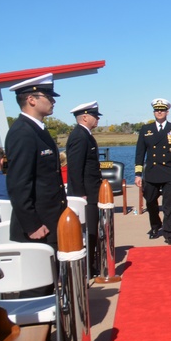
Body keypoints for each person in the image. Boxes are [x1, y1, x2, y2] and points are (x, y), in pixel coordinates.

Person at [4, 73, 68, 252]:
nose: (53, 101)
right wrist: (32, 225)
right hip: (38, 227)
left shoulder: (38, 129)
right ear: (31, 99)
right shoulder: (22, 132)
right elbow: (18, 184)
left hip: (51, 220)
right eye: (48, 97)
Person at [134, 98, 171, 245]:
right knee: (150, 201)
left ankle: (169, 233)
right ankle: (155, 225)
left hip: (169, 171)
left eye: (162, 110)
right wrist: (138, 174)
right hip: (151, 172)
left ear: (167, 112)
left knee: (169, 205)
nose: (159, 112)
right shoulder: (146, 130)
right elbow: (140, 153)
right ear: (154, 112)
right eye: (157, 110)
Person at [65, 101, 103, 271]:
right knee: (89, 231)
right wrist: (80, 194)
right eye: (95, 116)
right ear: (85, 117)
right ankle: (88, 266)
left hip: (91, 190)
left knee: (93, 229)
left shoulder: (85, 135)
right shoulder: (79, 136)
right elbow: (75, 167)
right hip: (86, 193)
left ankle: (91, 263)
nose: (98, 119)